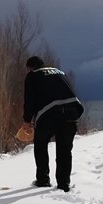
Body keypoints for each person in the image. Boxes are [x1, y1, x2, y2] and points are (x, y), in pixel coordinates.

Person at [22, 56, 84, 192]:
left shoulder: (33, 76)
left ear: (30, 67)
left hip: (49, 115)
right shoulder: (60, 72)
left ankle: (43, 180)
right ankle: (64, 185)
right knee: (64, 151)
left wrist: (27, 121)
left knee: (40, 145)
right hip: (71, 113)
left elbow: (29, 101)